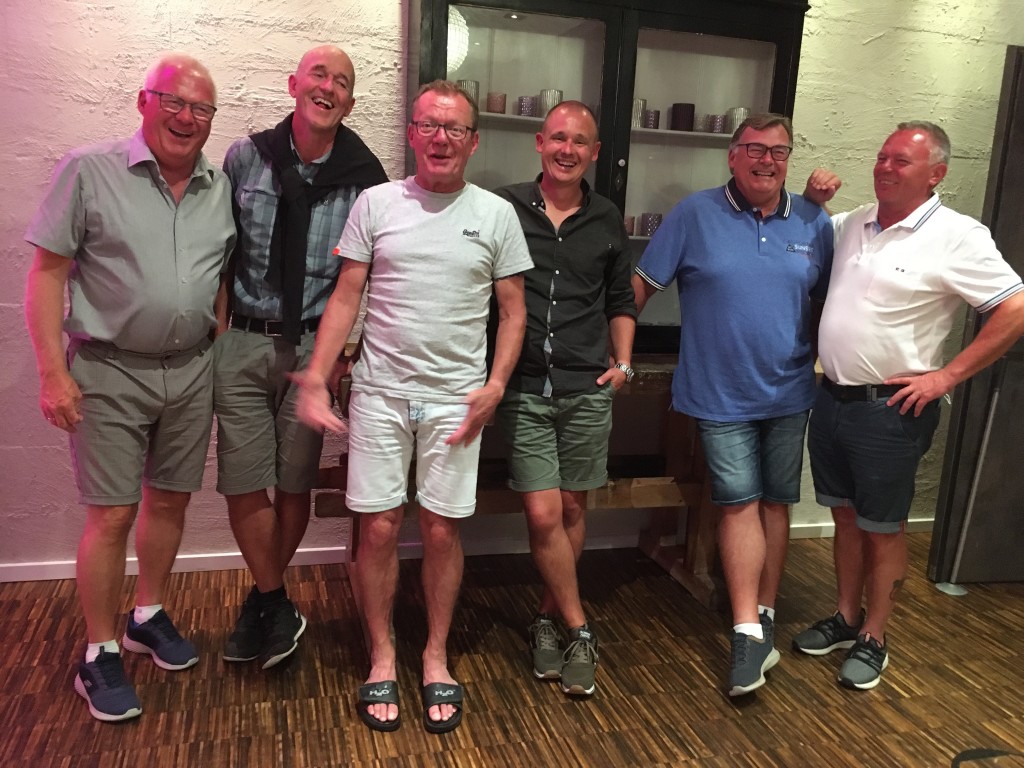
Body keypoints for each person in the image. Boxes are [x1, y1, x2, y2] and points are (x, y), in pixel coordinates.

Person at [294, 80, 532, 733]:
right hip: (380, 394)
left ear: (473, 141)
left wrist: (496, 385)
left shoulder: (496, 214)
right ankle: (382, 654)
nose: (440, 138)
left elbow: (513, 312)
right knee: (376, 528)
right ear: (412, 134)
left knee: (441, 530)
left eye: (454, 128)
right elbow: (347, 295)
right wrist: (316, 376)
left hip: (458, 399)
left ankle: (434, 655)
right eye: (429, 125)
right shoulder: (376, 203)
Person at [23, 54, 235, 722]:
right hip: (108, 371)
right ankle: (99, 651)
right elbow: (46, 275)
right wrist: (52, 373)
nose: (186, 117)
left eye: (200, 108)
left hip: (191, 369)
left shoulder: (219, 186)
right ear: (144, 101)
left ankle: (148, 615)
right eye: (173, 101)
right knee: (112, 513)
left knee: (169, 501)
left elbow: (221, 275)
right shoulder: (89, 171)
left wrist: (217, 339)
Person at [794, 121, 1024, 690]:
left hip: (891, 411)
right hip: (833, 398)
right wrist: (812, 200)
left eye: (901, 161)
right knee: (844, 517)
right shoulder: (854, 222)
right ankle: (845, 617)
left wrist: (947, 376)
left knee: (882, 527)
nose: (885, 168)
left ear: (936, 173)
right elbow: (805, 243)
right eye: (882, 157)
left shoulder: (957, 235)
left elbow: (1015, 307)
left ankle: (875, 635)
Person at [631, 113, 835, 697]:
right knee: (739, 501)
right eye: (754, 149)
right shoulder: (694, 214)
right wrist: (614, 352)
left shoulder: (815, 221)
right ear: (732, 155)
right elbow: (639, 287)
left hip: (790, 391)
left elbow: (828, 300)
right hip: (719, 393)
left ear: (788, 159)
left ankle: (765, 613)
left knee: (777, 502)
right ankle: (746, 631)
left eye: (778, 151)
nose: (766, 160)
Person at [215, 45, 387, 670]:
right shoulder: (245, 157)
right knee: (242, 481)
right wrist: (218, 336)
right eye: (319, 74)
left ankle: (264, 601)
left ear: (349, 101)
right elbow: (221, 254)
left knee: (293, 484)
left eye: (341, 81)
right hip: (242, 339)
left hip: (316, 347)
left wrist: (344, 353)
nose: (328, 87)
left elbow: (369, 278)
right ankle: (274, 599)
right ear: (294, 84)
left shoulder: (366, 179)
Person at [492, 101, 636, 697]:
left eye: (579, 141)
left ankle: (547, 620)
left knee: (574, 509)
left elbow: (619, 300)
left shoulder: (606, 218)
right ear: (539, 143)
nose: (567, 150)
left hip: (585, 386)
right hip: (524, 386)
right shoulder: (504, 207)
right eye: (558, 138)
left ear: (594, 152)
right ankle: (580, 626)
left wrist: (623, 364)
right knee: (543, 513)